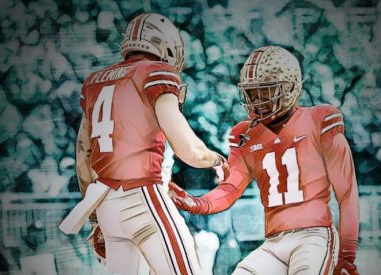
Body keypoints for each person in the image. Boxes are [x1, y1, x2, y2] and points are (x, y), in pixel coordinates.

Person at [169, 46, 360, 275]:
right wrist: (196, 203)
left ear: (289, 88)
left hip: (314, 237)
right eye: (252, 93)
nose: (256, 100)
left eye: (265, 92)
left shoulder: (319, 121)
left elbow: (347, 194)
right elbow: (230, 189)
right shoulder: (245, 135)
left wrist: (347, 257)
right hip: (273, 243)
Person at [73, 13, 229, 275]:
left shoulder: (94, 82)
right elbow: (189, 150)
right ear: (166, 47)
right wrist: (216, 159)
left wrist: (94, 217)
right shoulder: (156, 72)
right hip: (142, 196)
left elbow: (83, 157)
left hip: (106, 204)